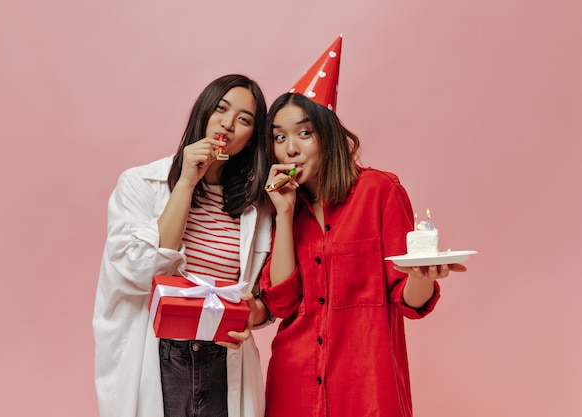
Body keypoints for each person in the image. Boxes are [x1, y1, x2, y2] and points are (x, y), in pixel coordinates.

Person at [259, 37, 466, 417]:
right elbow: (281, 302)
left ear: (328, 135)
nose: (290, 148)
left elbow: (410, 299)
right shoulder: (281, 206)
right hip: (295, 389)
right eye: (279, 137)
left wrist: (422, 274)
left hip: (367, 389)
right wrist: (285, 215)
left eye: (304, 133)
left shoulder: (380, 192)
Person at [93, 74, 273, 417]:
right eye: (221, 108)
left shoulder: (256, 207)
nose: (228, 123)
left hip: (223, 357)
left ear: (252, 138)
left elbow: (266, 297)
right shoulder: (141, 183)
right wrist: (187, 181)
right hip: (161, 355)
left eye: (244, 119)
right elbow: (140, 270)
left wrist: (255, 311)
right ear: (203, 111)